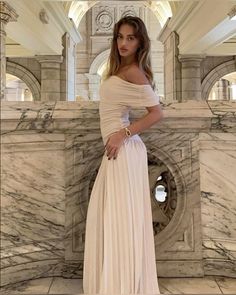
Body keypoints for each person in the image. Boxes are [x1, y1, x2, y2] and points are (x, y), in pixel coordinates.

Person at [83, 15, 163, 294]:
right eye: (120, 37)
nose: (123, 43)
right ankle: (117, 282)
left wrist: (124, 133)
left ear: (140, 42)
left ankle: (123, 286)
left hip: (125, 150)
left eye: (130, 38)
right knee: (114, 218)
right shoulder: (120, 70)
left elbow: (156, 113)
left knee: (122, 221)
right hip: (117, 152)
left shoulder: (135, 72)